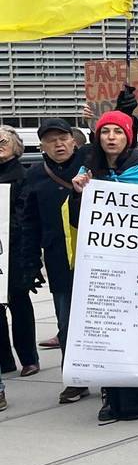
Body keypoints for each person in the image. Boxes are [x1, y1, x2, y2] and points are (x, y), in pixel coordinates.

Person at [68, 111, 138, 422]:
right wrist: (78, 195)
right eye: (105, 131)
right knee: (107, 331)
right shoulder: (87, 172)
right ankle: (111, 397)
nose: (111, 137)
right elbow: (76, 222)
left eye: (117, 132)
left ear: (128, 137)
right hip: (104, 267)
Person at [16, 118, 87, 403]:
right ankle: (74, 379)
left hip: (98, 258)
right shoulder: (34, 175)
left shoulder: (92, 162)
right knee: (67, 323)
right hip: (60, 261)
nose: (58, 144)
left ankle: (110, 377)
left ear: (73, 140)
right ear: (41, 145)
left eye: (63, 138)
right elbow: (28, 221)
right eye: (51, 140)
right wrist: (30, 262)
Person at [0, 125, 37, 380]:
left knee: (19, 302)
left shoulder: (24, 176)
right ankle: (5, 360)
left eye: (2, 140)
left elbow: (26, 215)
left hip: (15, 249)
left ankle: (28, 358)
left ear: (16, 145)